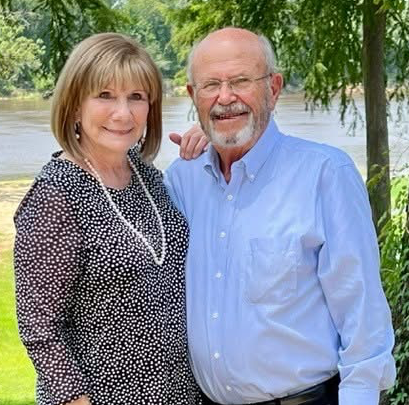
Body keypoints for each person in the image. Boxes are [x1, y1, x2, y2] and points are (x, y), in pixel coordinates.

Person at [165, 28, 396, 405]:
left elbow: (361, 310)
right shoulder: (181, 181)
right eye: (211, 85)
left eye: (241, 81)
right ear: (193, 96)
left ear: (273, 88)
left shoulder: (324, 174)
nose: (225, 97)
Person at [13, 33, 204, 405]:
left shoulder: (148, 177)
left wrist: (213, 143)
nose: (123, 113)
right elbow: (39, 327)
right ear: (74, 106)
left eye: (136, 97)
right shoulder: (56, 194)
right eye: (104, 95)